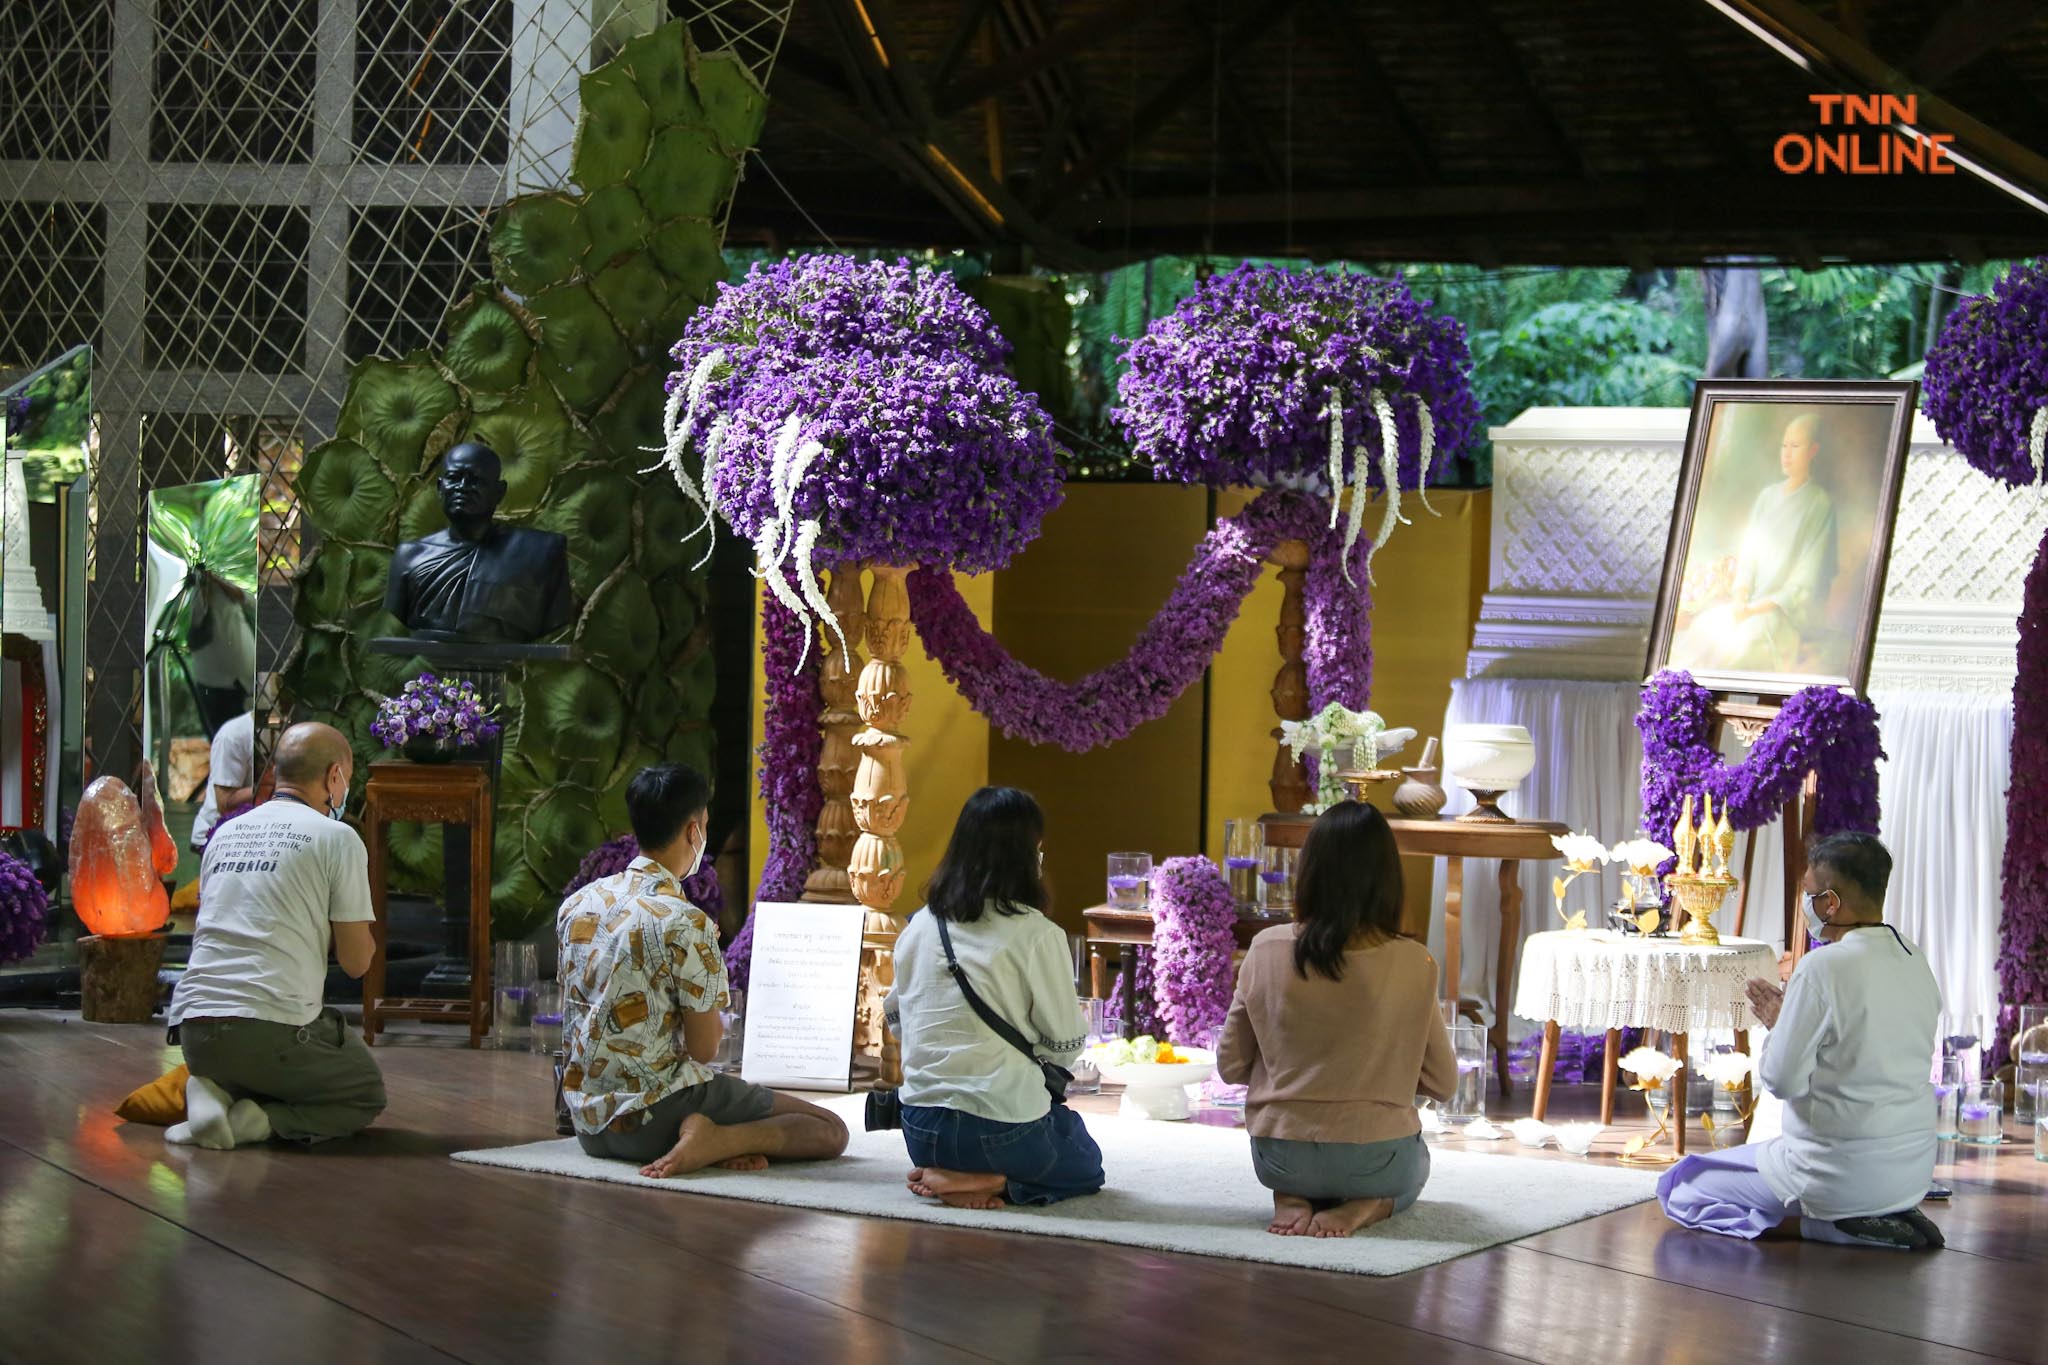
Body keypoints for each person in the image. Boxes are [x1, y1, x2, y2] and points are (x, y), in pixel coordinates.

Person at [1657, 832, 1945, 1249]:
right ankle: (1878, 1213)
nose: (1806, 905)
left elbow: (1781, 1081)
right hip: (1911, 1174)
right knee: (1733, 1163)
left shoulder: (1823, 966)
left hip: (1834, 1175)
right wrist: (1793, 1020)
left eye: (1810, 894)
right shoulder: (1912, 956)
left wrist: (1780, 1022)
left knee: (1681, 1188)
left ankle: (1832, 1226)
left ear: (1831, 903)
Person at [559, 763, 847, 1177]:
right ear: (694, 832)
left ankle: (712, 1140)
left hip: (589, 1125)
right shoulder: (685, 922)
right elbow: (705, 1050)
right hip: (655, 1119)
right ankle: (716, 1140)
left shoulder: (577, 905)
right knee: (830, 1129)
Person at [1217, 800, 1456, 1238]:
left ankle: (1291, 1196)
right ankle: (1366, 1205)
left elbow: (1230, 1066)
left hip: (1279, 1157)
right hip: (1377, 1159)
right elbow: (1443, 1083)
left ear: (1308, 872)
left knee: (1299, 1170)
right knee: (1417, 1167)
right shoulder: (1414, 961)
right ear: (1387, 879)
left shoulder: (1265, 948)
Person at [165, 722, 385, 1149]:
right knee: (362, 1091)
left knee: (255, 1060)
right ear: (334, 776)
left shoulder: (224, 835)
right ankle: (261, 1121)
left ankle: (210, 1092)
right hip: (270, 1034)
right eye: (347, 781)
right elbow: (357, 964)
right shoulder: (338, 838)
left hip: (193, 1033)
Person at [886, 786, 1102, 1210]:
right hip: (1001, 1129)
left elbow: (897, 1020)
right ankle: (995, 1181)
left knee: (1056, 1132)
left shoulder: (919, 926)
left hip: (920, 1130)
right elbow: (1066, 1043)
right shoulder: (1037, 933)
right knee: (1085, 1163)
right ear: (1028, 855)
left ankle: (951, 1174)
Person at [1673, 412, 1839, 674]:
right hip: (1745, 605)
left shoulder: (1819, 504)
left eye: (1796, 446)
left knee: (1739, 647)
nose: (1787, 453)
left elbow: (1803, 584)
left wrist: (1753, 610)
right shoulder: (1767, 497)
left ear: (1813, 451)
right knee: (1702, 630)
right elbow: (1748, 558)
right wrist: (1740, 597)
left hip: (1779, 614)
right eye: (1784, 445)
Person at [384, 441, 573, 643]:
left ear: (499, 492)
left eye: (476, 480)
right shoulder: (409, 556)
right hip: (433, 668)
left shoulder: (538, 553)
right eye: (454, 478)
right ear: (440, 488)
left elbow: (556, 617)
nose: (463, 488)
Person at [190, 709, 255, 852]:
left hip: (257, 835)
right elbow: (225, 803)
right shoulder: (233, 735)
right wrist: (274, 787)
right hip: (217, 836)